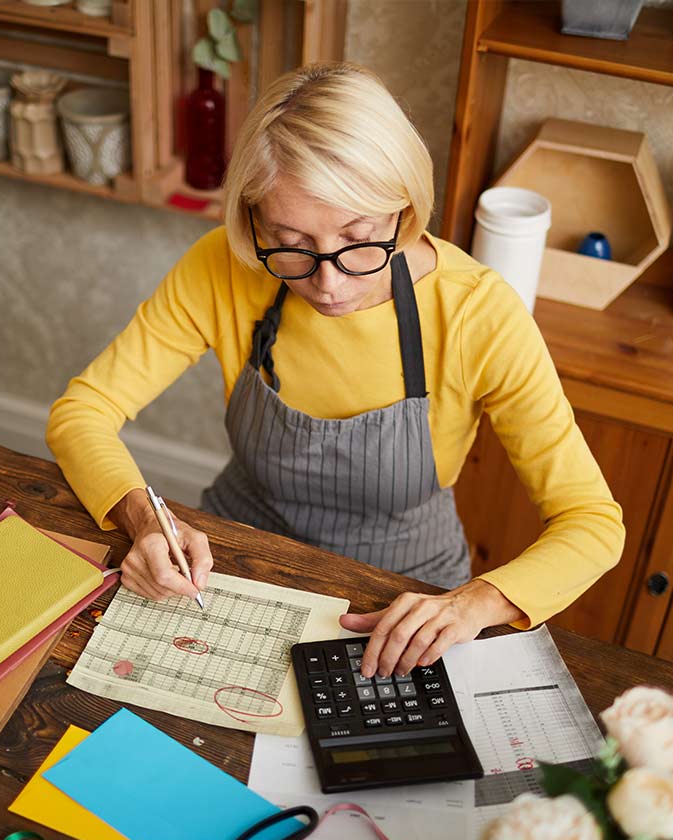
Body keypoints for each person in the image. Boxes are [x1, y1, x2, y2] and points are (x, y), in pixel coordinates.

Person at [47, 62, 625, 682]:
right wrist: (143, 517)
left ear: (404, 209)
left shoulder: (478, 312)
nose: (326, 284)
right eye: (291, 243)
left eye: (358, 239)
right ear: (253, 221)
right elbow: (81, 414)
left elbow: (592, 523)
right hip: (235, 561)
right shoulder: (221, 267)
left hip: (403, 594)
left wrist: (475, 603)